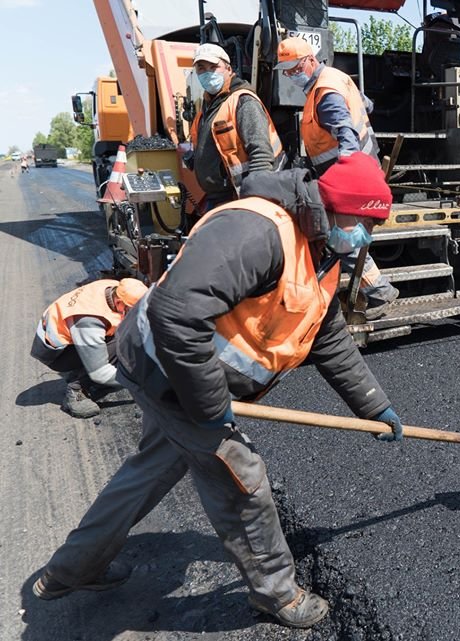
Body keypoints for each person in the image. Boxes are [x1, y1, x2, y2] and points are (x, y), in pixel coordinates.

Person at [31, 164, 404, 630]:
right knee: (241, 479)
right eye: (363, 223)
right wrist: (209, 408)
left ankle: (69, 571)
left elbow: (326, 338)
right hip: (167, 371)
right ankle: (277, 594)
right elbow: (175, 317)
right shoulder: (256, 231)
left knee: (151, 469)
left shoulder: (321, 252)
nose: (365, 237)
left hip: (181, 377)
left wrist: (373, 404)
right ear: (331, 207)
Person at [274, 37, 398, 320]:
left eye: (294, 68)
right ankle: (370, 290)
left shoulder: (326, 92)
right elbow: (367, 106)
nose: (291, 75)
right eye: (286, 71)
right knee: (343, 236)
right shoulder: (336, 80)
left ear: (310, 60)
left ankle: (378, 293)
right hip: (360, 168)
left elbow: (346, 135)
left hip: (350, 174)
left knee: (340, 236)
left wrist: (348, 177)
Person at [31, 278, 148, 418]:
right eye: (132, 311)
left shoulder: (114, 288)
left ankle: (86, 369)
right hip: (56, 354)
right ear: (118, 302)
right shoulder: (89, 320)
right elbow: (100, 373)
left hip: (72, 339)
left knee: (128, 331)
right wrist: (143, 382)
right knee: (123, 344)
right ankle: (76, 390)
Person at [189, 42, 284, 211]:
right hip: (218, 198)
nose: (207, 73)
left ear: (228, 69)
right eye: (201, 68)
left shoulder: (243, 101)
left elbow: (261, 154)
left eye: (214, 67)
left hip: (241, 197)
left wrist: (257, 200)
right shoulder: (208, 107)